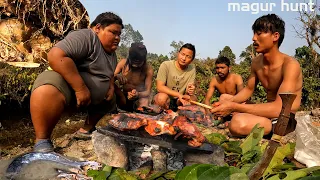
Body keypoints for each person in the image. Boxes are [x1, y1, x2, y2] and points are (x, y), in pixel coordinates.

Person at [30, 12, 124, 152]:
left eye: (119, 35)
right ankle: (42, 141)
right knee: (47, 89)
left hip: (92, 96)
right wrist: (80, 89)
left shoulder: (111, 52)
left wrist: (110, 87)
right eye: (113, 33)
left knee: (111, 98)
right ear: (98, 28)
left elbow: (110, 73)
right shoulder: (86, 36)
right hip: (69, 89)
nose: (117, 38)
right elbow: (55, 56)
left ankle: (86, 129)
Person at [210, 14, 302, 137]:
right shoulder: (256, 62)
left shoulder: (290, 65)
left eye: (259, 34)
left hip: (283, 117)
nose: (253, 38)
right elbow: (248, 90)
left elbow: (279, 108)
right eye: (254, 34)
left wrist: (234, 107)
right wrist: (228, 103)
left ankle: (251, 123)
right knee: (224, 98)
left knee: (237, 123)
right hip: (267, 112)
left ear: (275, 36)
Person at [153, 43, 197, 111]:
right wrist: (178, 94)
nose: (184, 58)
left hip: (179, 100)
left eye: (188, 57)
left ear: (192, 59)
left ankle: (180, 115)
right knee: (161, 98)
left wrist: (190, 90)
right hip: (167, 98)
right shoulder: (166, 65)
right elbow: (159, 87)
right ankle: (160, 115)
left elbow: (188, 91)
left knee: (193, 99)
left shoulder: (192, 69)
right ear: (178, 53)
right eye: (182, 54)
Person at [114, 42, 154, 112]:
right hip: (123, 96)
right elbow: (110, 79)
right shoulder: (123, 63)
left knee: (144, 101)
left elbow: (147, 92)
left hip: (138, 97)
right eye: (133, 62)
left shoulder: (148, 69)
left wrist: (138, 94)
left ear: (143, 60)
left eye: (138, 63)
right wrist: (117, 76)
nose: (136, 65)